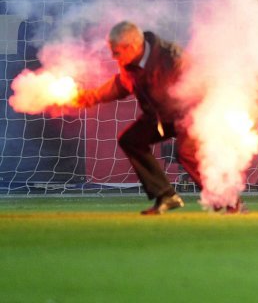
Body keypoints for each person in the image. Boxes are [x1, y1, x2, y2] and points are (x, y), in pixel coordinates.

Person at [73, 22, 243, 214]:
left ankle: (229, 200)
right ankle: (166, 195)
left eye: (116, 52)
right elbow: (120, 85)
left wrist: (196, 119)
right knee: (131, 140)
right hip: (162, 115)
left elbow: (198, 87)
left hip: (192, 111)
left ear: (132, 47)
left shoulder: (171, 57)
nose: (113, 57)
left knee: (187, 153)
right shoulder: (130, 65)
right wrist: (87, 97)